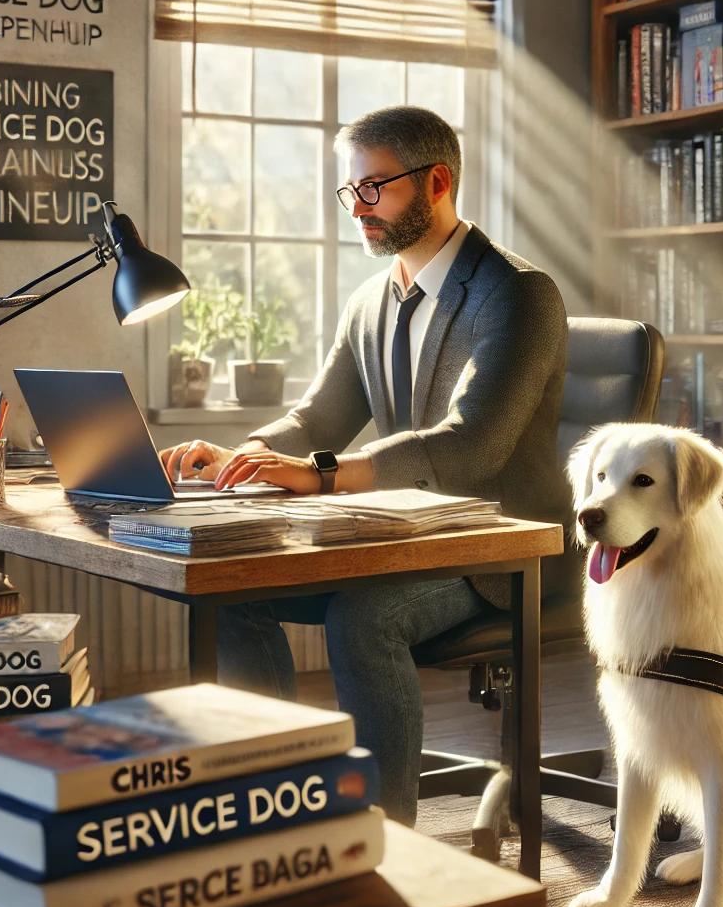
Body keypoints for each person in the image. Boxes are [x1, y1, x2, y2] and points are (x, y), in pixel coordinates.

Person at [161, 105, 574, 825]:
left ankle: (387, 844)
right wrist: (237, 456)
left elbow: (471, 442)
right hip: (404, 537)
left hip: (501, 552)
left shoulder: (518, 294)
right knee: (227, 589)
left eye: (374, 189)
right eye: (350, 192)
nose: (357, 209)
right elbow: (315, 420)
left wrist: (321, 474)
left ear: (437, 181)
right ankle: (273, 798)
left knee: (363, 617)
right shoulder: (369, 303)